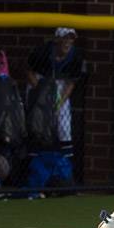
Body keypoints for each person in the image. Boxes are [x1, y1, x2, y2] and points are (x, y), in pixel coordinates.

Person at [25, 27, 86, 188]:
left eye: (71, 38)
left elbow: (71, 82)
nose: (68, 42)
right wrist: (42, 96)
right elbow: (29, 72)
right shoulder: (43, 51)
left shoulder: (75, 56)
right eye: (65, 38)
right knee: (37, 125)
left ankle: (67, 173)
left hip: (60, 85)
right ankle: (31, 172)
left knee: (64, 128)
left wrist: (59, 103)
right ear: (57, 39)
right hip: (40, 82)